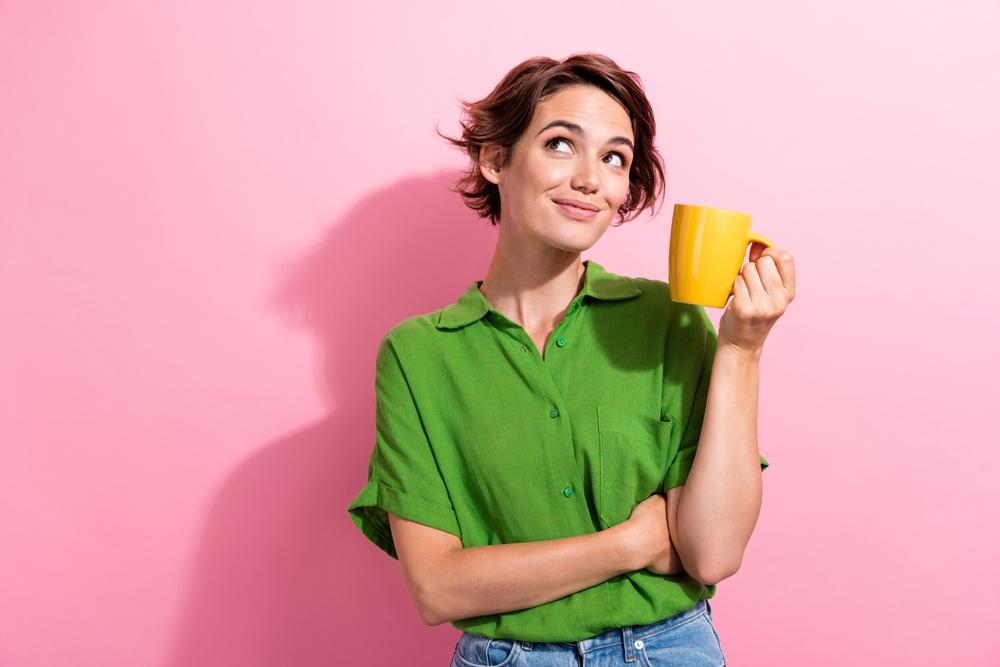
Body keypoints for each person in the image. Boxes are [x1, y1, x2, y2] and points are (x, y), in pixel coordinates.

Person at [346, 53, 795, 666]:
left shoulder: (669, 320)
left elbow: (712, 553)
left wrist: (742, 348)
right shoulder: (418, 355)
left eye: (615, 159)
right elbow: (437, 588)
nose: (591, 179)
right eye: (561, 144)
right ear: (495, 159)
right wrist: (631, 543)